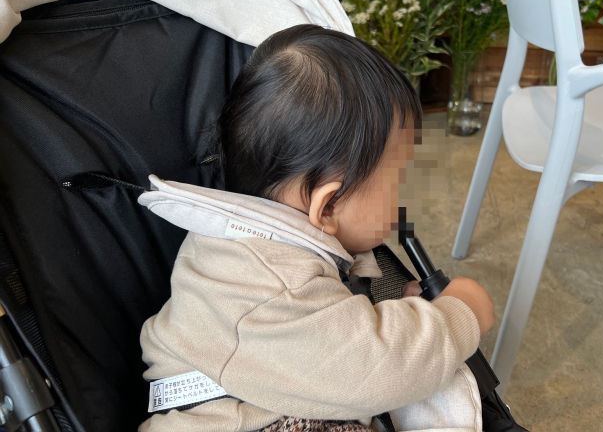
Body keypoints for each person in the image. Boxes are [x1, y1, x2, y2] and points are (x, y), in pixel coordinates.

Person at [138, 25, 495, 432]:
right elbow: (376, 369)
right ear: (327, 206)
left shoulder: (261, 247)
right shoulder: (272, 282)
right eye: (395, 186)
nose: (402, 202)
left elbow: (328, 333)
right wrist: (456, 316)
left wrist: (400, 308)